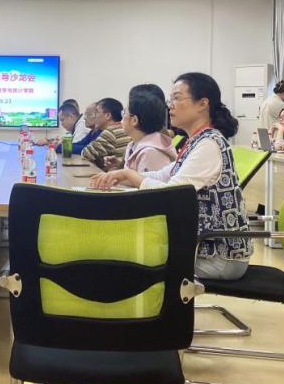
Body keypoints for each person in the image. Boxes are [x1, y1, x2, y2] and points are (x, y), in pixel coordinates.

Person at [90, 73, 249, 280]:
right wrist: (121, 176)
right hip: (200, 247)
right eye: (170, 99)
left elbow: (172, 193)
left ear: (202, 104)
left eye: (177, 98)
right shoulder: (197, 140)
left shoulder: (209, 144)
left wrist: (129, 174)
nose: (170, 105)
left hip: (218, 257)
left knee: (125, 256)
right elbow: (164, 175)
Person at [122, 89, 175, 173]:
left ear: (134, 120)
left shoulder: (150, 153)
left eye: (124, 113)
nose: (122, 118)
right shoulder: (132, 145)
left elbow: (145, 181)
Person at [81, 97, 131, 169]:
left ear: (107, 116)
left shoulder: (111, 132)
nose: (95, 116)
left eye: (97, 112)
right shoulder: (122, 128)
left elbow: (86, 154)